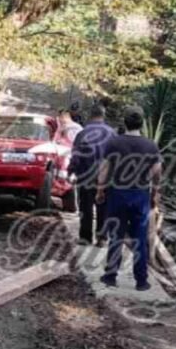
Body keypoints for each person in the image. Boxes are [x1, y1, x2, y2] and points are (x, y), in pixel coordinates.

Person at [95, 105, 162, 291]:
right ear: (142, 123)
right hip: (140, 194)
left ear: (125, 122)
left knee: (116, 235)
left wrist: (100, 190)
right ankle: (141, 281)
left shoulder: (114, 143)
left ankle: (110, 276)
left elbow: (104, 169)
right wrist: (155, 192)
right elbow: (157, 171)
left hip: (118, 193)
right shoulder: (150, 145)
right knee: (140, 238)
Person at [69, 105, 114, 246]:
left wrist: (71, 170)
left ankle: (85, 237)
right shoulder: (112, 134)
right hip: (106, 177)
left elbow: (76, 155)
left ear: (90, 115)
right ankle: (102, 238)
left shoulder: (83, 133)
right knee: (104, 207)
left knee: (86, 207)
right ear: (103, 115)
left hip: (86, 175)